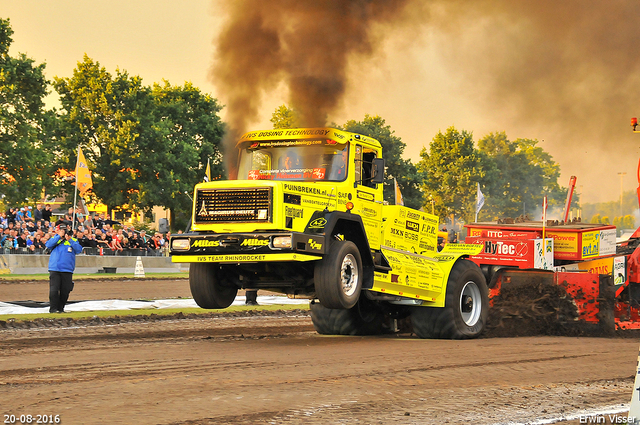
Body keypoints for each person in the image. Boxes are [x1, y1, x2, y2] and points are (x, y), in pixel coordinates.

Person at [45, 224, 82, 313]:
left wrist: (69, 239)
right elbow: (48, 245)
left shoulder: (73, 240)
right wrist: (58, 236)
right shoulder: (55, 239)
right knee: (54, 289)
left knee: (65, 291)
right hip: (55, 268)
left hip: (67, 269)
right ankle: (53, 309)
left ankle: (61, 308)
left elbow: (78, 250)